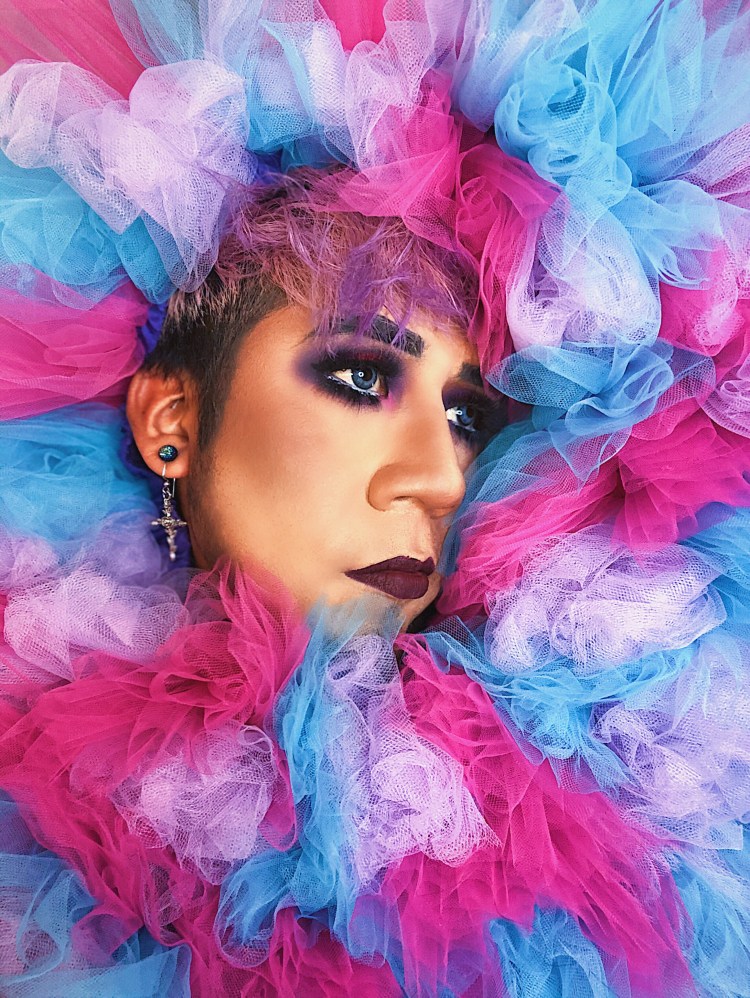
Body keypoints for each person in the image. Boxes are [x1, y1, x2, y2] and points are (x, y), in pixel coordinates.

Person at [0, 1, 749, 995]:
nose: (439, 478)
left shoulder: (582, 837)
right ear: (170, 418)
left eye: (468, 416)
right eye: (361, 378)